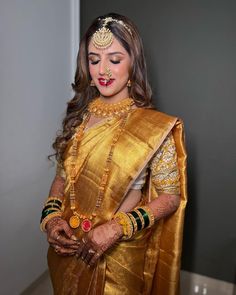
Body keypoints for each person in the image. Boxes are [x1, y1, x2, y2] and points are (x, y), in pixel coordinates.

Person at [40, 13, 187, 295]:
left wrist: (116, 229)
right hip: (68, 249)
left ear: (134, 65)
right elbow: (62, 179)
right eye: (94, 60)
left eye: (115, 60)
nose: (103, 70)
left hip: (120, 256)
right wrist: (51, 218)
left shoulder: (153, 128)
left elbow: (170, 198)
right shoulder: (78, 118)